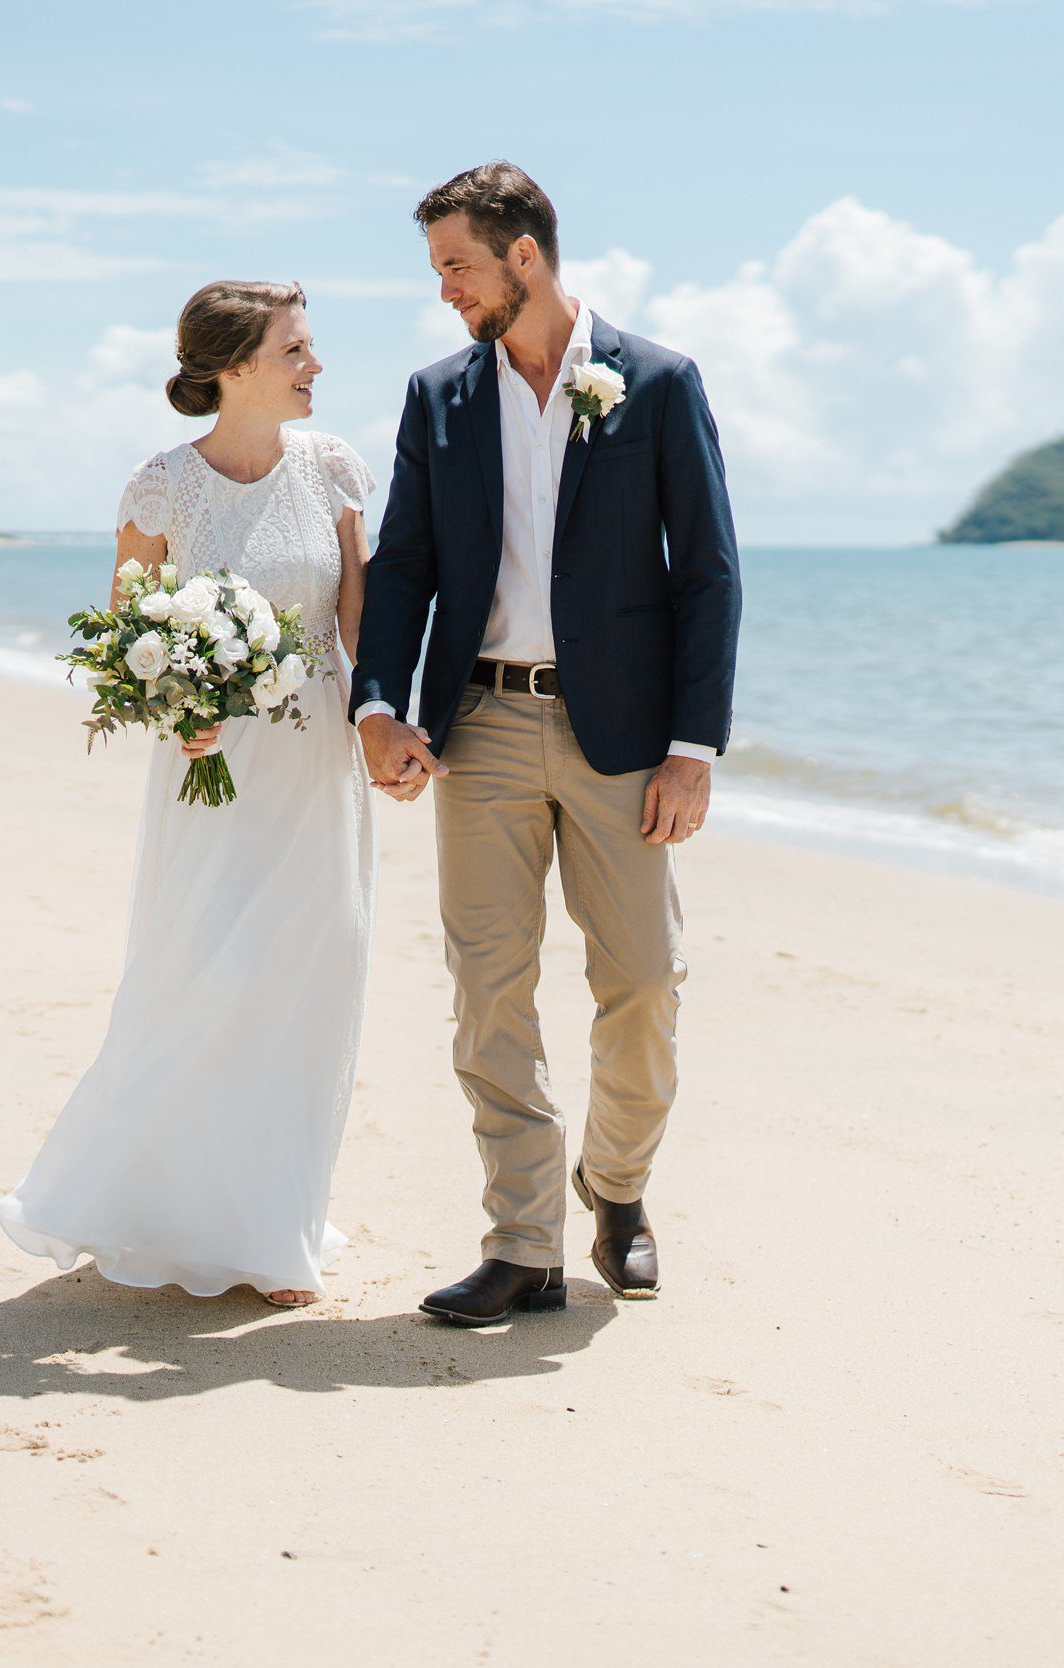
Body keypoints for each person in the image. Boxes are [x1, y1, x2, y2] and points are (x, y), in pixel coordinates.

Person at [351, 163, 743, 1326]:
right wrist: (381, 703)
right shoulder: (438, 396)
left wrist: (692, 745)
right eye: (437, 272)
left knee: (642, 984)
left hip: (621, 738)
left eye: (455, 266)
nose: (444, 292)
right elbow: (406, 559)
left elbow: (708, 572)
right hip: (477, 723)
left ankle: (615, 1194)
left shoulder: (657, 383)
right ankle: (521, 1243)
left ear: (523, 256)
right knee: (490, 990)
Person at [0, 281, 377, 1309]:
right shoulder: (160, 488)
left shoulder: (333, 470)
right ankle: (156, 1201)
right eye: (296, 349)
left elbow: (359, 625)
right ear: (235, 365)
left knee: (309, 978)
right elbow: (128, 640)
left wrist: (391, 727)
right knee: (203, 976)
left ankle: (275, 1226)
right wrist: (176, 711)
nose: (315, 365)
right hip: (209, 774)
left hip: (312, 768)